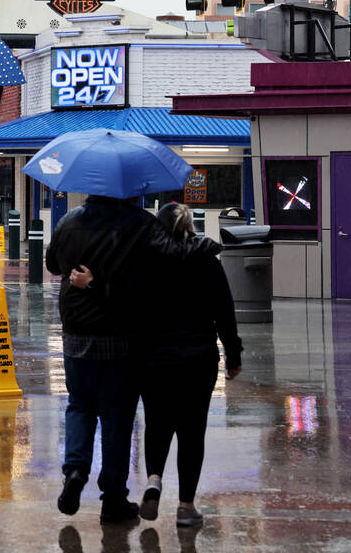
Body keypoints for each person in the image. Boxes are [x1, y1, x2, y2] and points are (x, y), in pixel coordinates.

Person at [45, 194, 220, 524]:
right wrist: (209, 246)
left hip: (76, 335)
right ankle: (113, 500)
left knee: (80, 404)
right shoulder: (138, 223)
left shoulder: (68, 222)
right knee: (117, 416)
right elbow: (174, 252)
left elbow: (52, 264)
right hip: (120, 337)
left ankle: (76, 469)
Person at [128, 203, 242, 527]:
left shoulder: (146, 261)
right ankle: (186, 506)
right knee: (192, 432)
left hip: (154, 359)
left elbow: (130, 307)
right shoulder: (206, 259)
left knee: (158, 422)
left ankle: (153, 478)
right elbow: (225, 310)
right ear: (190, 227)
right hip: (197, 359)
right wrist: (233, 356)